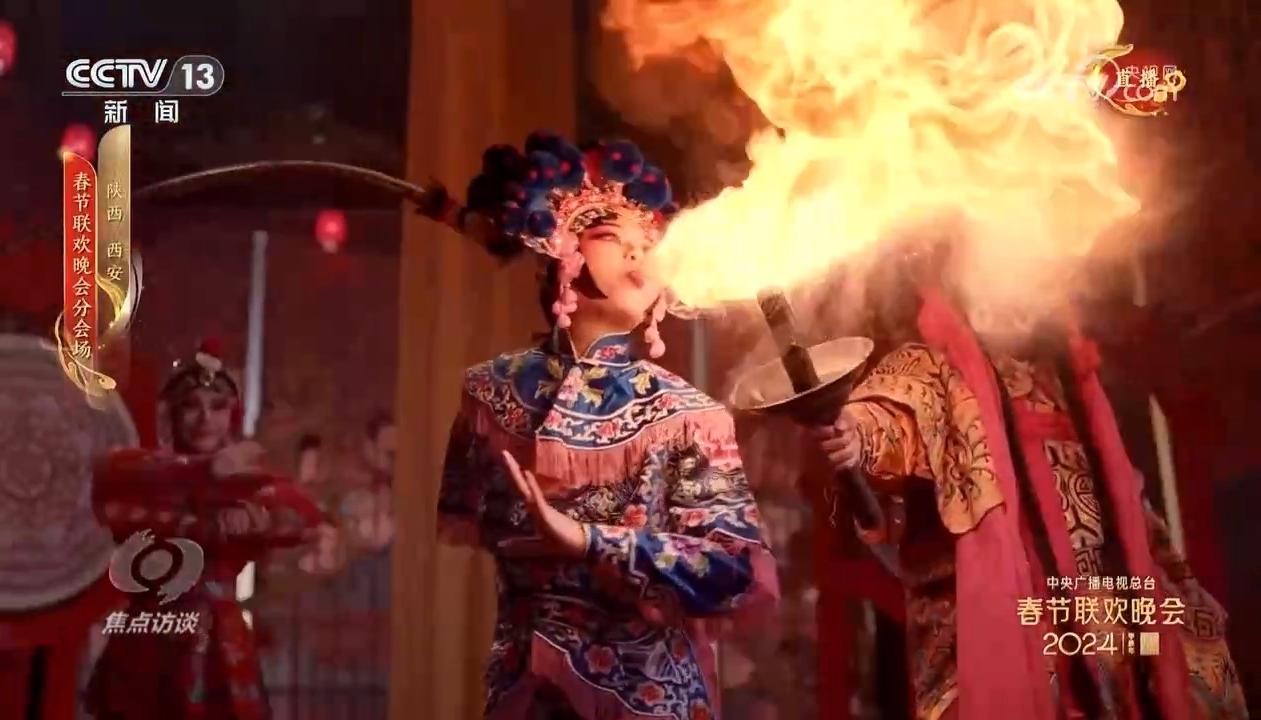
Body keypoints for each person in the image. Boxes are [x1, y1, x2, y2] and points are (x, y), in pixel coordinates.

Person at [811, 240, 1248, 720]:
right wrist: (855, 435)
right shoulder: (931, 366)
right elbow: (892, 413)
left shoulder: (1070, 377)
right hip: (1010, 611)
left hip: (1111, 610)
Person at [426, 132, 779, 720]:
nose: (639, 254)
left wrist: (590, 541)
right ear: (559, 249)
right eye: (613, 238)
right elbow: (480, 523)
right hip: (525, 691)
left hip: (649, 695)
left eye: (648, 244)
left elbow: (734, 570)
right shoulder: (489, 395)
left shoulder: (687, 415)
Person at [85, 339, 324, 720]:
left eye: (217, 407)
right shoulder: (142, 473)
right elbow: (111, 491)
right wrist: (207, 480)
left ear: (232, 415)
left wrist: (259, 517)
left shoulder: (244, 484)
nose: (204, 419)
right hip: (150, 633)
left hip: (217, 643)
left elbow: (305, 518)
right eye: (191, 406)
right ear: (172, 414)